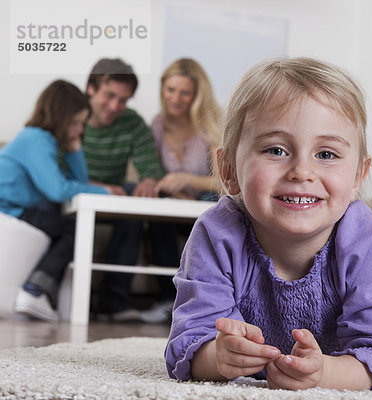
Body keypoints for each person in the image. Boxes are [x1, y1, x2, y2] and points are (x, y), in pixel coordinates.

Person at [165, 57, 372, 391]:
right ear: (229, 169)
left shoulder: (367, 241)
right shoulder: (216, 234)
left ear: (357, 178)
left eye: (326, 154)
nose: (301, 172)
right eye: (276, 150)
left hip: (371, 304)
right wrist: (217, 357)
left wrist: (325, 374)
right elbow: (190, 339)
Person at [0, 80, 111, 322]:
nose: (80, 129)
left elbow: (79, 185)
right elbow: (58, 190)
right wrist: (106, 191)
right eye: (77, 122)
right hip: (7, 211)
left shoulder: (43, 141)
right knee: (74, 227)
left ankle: (37, 290)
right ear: (62, 117)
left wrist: (74, 149)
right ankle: (35, 290)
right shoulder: (36, 139)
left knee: (64, 217)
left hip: (17, 209)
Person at [141, 58, 222, 324]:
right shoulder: (157, 125)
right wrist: (167, 188)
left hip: (202, 205)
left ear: (197, 94)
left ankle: (199, 301)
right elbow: (154, 173)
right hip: (173, 204)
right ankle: (167, 300)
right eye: (170, 89)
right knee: (156, 208)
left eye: (184, 92)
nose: (175, 98)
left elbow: (224, 182)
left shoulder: (210, 123)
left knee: (207, 201)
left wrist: (186, 179)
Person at [83, 58, 165, 321]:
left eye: (123, 100)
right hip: (75, 197)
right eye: (110, 96)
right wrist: (101, 188)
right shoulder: (71, 115)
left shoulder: (131, 122)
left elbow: (151, 167)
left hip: (113, 201)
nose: (115, 106)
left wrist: (149, 181)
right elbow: (57, 174)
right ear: (91, 88)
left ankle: (114, 301)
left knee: (134, 196)